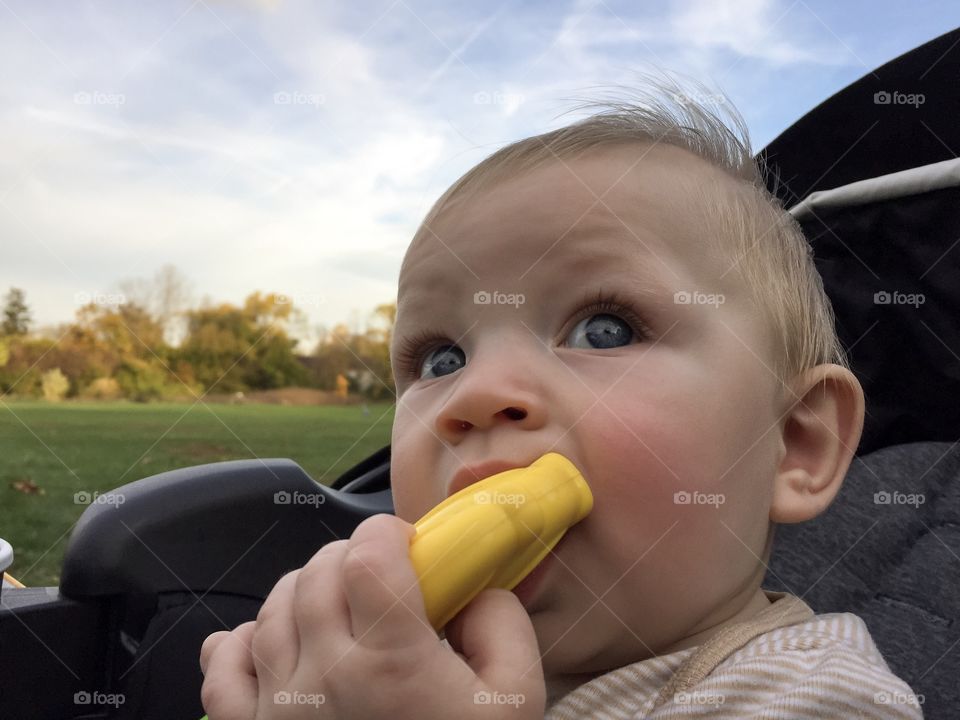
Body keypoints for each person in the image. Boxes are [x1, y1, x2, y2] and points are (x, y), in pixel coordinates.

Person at [198, 78, 924, 719]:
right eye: (441, 357)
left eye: (603, 331)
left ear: (795, 445)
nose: (478, 394)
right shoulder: (400, 661)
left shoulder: (813, 694)